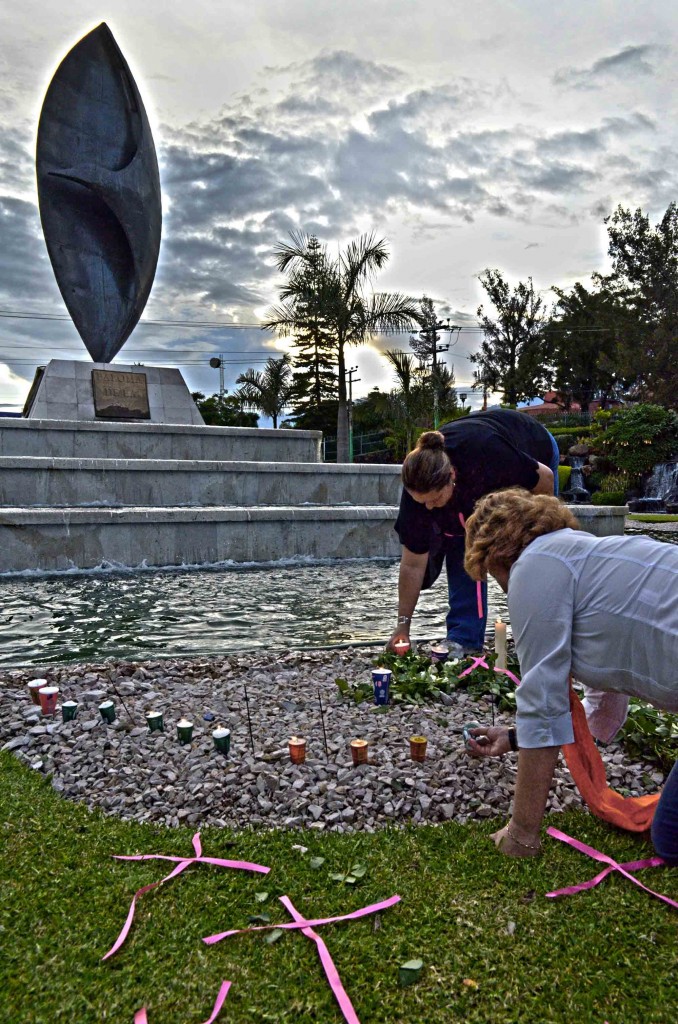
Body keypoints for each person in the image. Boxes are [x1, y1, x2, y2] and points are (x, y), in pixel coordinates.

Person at [462, 488, 678, 863]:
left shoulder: (532, 567)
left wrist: (521, 834)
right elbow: (602, 704)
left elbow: (543, 704)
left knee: (673, 836)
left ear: (490, 554)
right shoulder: (580, 554)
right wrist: (515, 739)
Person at [388, 408, 560, 653]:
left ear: (452, 476)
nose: (427, 507)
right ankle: (464, 637)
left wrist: (539, 540)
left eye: (434, 499)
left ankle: (546, 629)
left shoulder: (488, 453)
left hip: (533, 448)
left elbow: (544, 479)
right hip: (475, 483)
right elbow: (412, 564)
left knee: (522, 554)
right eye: (421, 501)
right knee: (460, 541)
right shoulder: (418, 491)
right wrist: (402, 627)